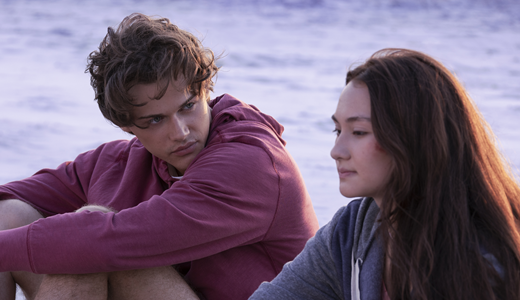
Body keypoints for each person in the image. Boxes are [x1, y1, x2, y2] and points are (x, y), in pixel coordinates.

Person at [0, 13, 319, 300]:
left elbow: (103, 242)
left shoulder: (252, 162)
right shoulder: (120, 162)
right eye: (155, 119)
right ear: (126, 125)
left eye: (188, 106)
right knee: (10, 215)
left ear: (205, 90)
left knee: (95, 244)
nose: (180, 132)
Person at [249, 48, 520, 300]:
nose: (337, 151)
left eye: (358, 132)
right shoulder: (350, 232)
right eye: (337, 131)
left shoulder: (482, 261)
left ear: (414, 138)